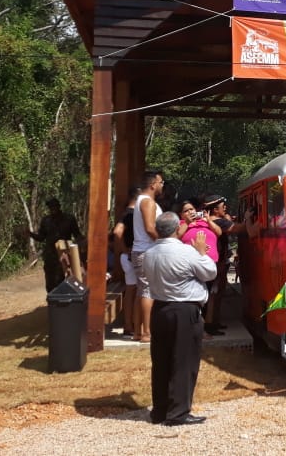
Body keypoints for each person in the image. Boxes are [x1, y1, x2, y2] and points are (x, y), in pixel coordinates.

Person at [143, 211, 217, 426]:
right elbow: (209, 272)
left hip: (160, 309)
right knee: (183, 362)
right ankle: (178, 413)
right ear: (177, 229)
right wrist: (201, 253)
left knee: (161, 362)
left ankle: (160, 410)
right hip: (184, 310)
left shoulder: (149, 253)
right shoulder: (186, 252)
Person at [178, 200, 222, 336]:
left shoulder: (205, 222)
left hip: (209, 262)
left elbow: (219, 232)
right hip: (191, 265)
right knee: (195, 297)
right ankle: (197, 328)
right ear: (181, 214)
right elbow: (177, 236)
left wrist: (208, 221)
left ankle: (207, 326)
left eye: (192, 209)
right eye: (186, 210)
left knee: (210, 295)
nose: (190, 212)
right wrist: (187, 223)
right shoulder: (180, 224)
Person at [132, 171, 165, 343]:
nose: (162, 185)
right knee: (148, 291)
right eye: (161, 182)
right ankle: (146, 332)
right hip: (146, 251)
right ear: (153, 184)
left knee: (142, 291)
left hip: (141, 251)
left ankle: (138, 331)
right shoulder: (148, 202)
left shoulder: (140, 201)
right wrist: (166, 241)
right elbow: (150, 229)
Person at [205, 195, 245, 335]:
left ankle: (214, 322)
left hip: (215, 262)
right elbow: (239, 228)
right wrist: (247, 217)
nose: (226, 208)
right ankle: (210, 324)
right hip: (217, 263)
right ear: (215, 210)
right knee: (214, 294)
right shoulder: (219, 222)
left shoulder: (212, 221)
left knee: (216, 293)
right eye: (223, 206)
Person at [30, 198, 83, 292]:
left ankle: (64, 302)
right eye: (50, 207)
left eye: (54, 206)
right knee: (50, 282)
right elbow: (41, 237)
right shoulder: (46, 221)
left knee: (65, 279)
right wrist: (30, 234)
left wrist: (80, 251)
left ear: (59, 206)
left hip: (65, 255)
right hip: (50, 256)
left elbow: (77, 235)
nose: (53, 209)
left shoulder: (69, 219)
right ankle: (52, 302)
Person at [112, 187, 140, 337]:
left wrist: (123, 250)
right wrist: (125, 249)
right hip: (132, 255)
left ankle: (128, 325)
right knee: (138, 291)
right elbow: (117, 232)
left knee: (130, 290)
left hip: (127, 256)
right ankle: (135, 326)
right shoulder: (131, 214)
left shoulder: (125, 213)